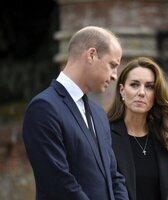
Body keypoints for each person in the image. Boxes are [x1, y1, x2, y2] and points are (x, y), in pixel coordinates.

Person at [23, 26, 129, 200]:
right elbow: (58, 183)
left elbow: (115, 177)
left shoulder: (99, 114)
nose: (114, 76)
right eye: (112, 65)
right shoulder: (43, 108)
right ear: (91, 55)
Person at [107, 57, 168, 200]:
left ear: (156, 95)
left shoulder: (164, 138)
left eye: (149, 87)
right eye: (135, 85)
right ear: (122, 90)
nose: (142, 92)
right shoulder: (104, 135)